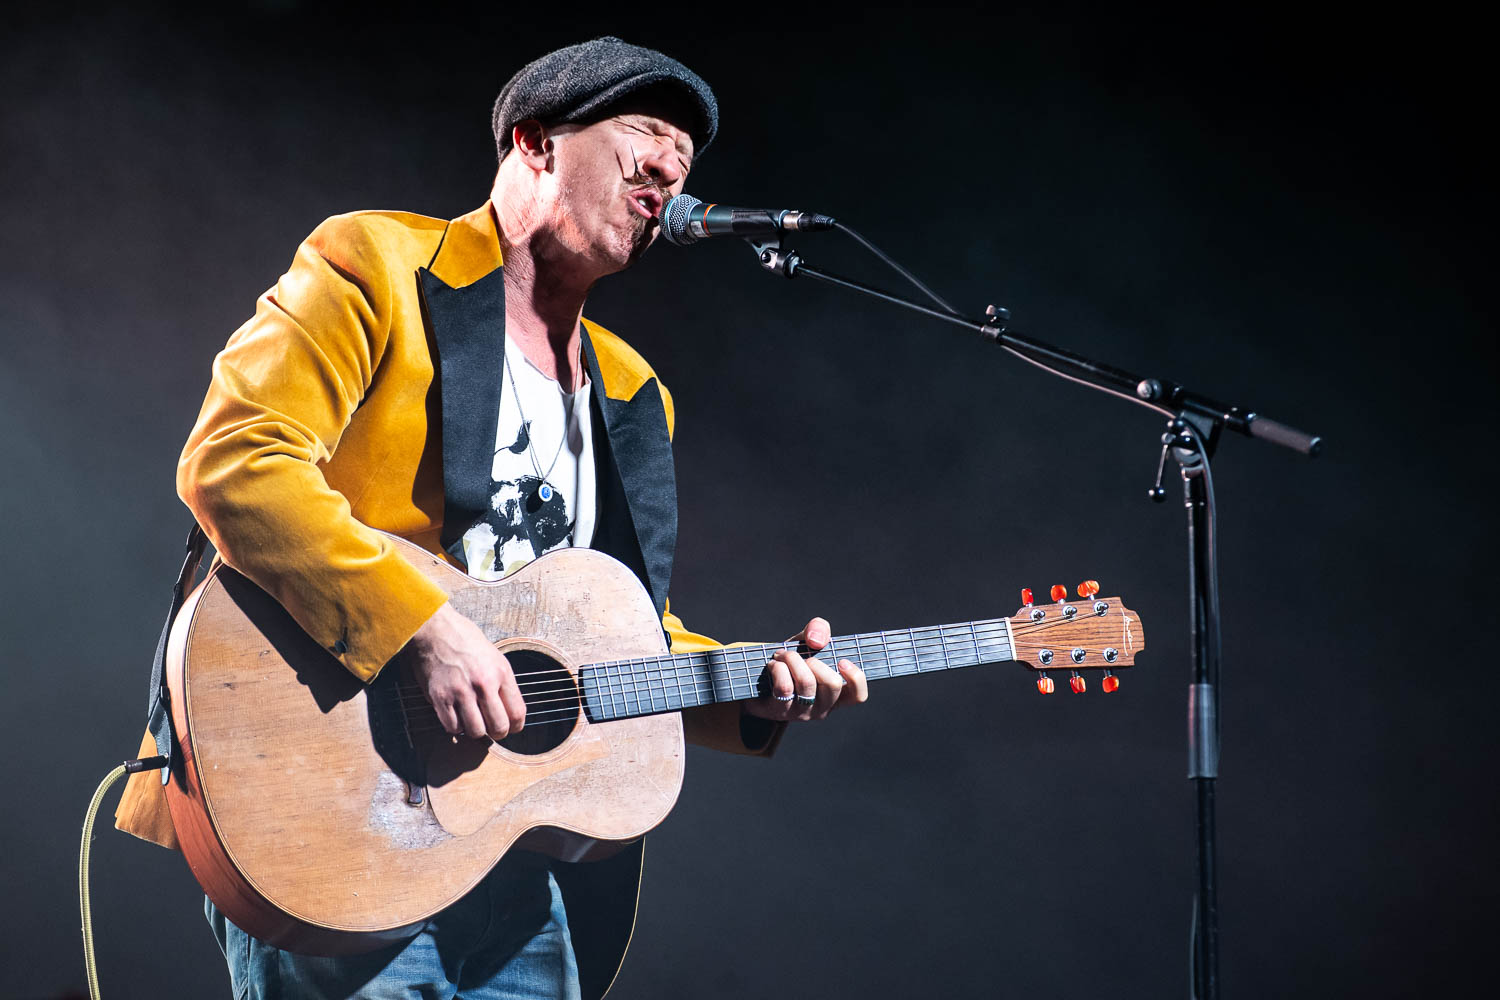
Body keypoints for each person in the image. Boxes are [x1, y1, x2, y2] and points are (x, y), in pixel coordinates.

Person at [113, 36, 869, 999]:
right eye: (644, 136)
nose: (668, 171)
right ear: (536, 140)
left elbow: (615, 627)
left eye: (684, 162)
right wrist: (420, 629)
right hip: (338, 797)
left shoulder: (636, 394)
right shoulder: (374, 264)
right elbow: (235, 458)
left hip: (515, 855)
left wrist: (750, 692)